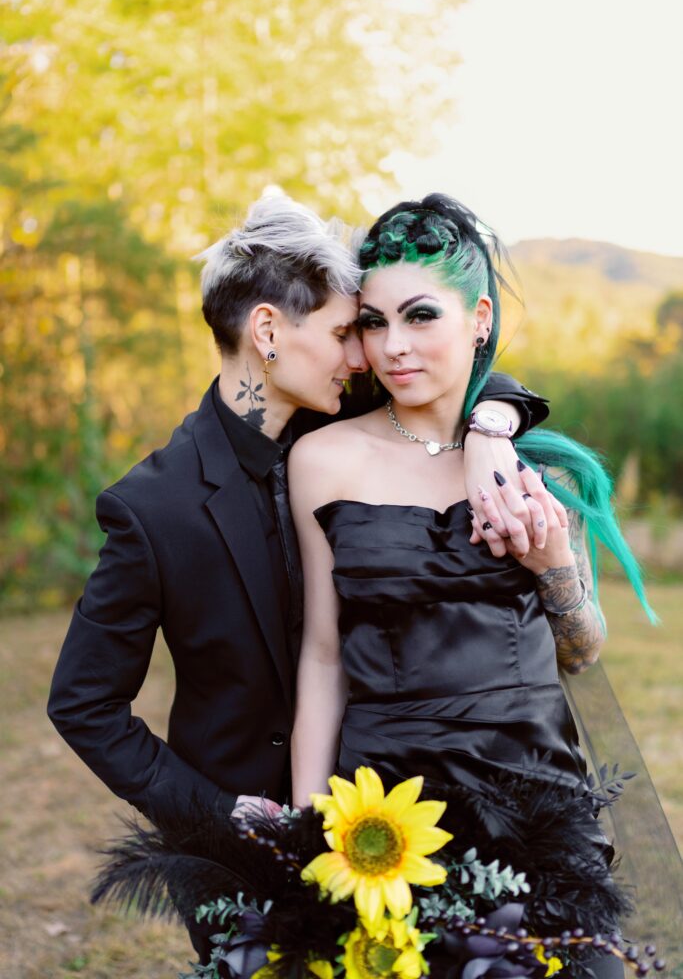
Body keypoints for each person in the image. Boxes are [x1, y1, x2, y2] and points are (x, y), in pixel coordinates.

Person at [47, 192, 548, 960]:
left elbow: (457, 363)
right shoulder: (153, 507)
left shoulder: (339, 426)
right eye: (347, 332)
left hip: (392, 813)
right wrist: (217, 811)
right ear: (268, 332)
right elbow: (83, 703)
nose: (364, 358)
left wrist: (492, 425)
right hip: (242, 852)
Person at [288, 194, 664, 976]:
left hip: (535, 799)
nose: (393, 346)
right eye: (372, 322)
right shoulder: (320, 460)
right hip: (386, 807)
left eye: (420, 316)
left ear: (480, 317)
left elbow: (583, 650)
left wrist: (552, 564)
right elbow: (322, 656)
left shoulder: (541, 469)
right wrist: (305, 824)